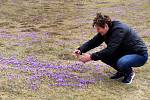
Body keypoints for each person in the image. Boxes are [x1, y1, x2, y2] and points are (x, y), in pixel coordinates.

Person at [73, 13, 148, 84]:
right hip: (126, 52)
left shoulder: (119, 30)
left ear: (105, 26)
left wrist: (91, 57)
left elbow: (110, 50)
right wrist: (80, 49)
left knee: (121, 63)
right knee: (103, 56)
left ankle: (129, 73)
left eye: (98, 29)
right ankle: (122, 71)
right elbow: (94, 42)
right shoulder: (106, 30)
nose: (97, 31)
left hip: (139, 55)